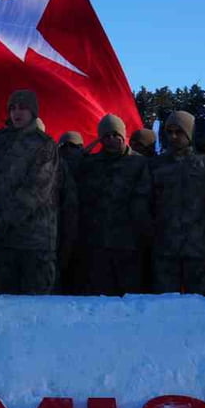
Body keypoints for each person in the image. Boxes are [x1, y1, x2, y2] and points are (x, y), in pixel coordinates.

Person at [0, 89, 78, 295]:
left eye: (23, 108)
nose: (17, 113)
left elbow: (35, 191)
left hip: (34, 242)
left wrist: (1, 224)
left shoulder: (44, 145)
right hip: (2, 243)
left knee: (36, 307)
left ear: (33, 112)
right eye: (12, 108)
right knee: (1, 306)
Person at [150, 111, 205, 299]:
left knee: (203, 307)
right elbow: (145, 206)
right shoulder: (155, 166)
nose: (173, 137)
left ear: (190, 133)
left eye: (179, 132)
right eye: (169, 132)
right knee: (165, 307)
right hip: (165, 251)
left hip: (199, 251)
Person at [74, 114, 152, 296]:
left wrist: (144, 236)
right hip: (97, 245)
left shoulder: (139, 163)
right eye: (106, 136)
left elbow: (144, 201)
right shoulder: (91, 164)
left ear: (123, 136)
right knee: (99, 299)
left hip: (129, 245)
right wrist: (82, 154)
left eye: (115, 135)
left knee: (130, 299)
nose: (110, 140)